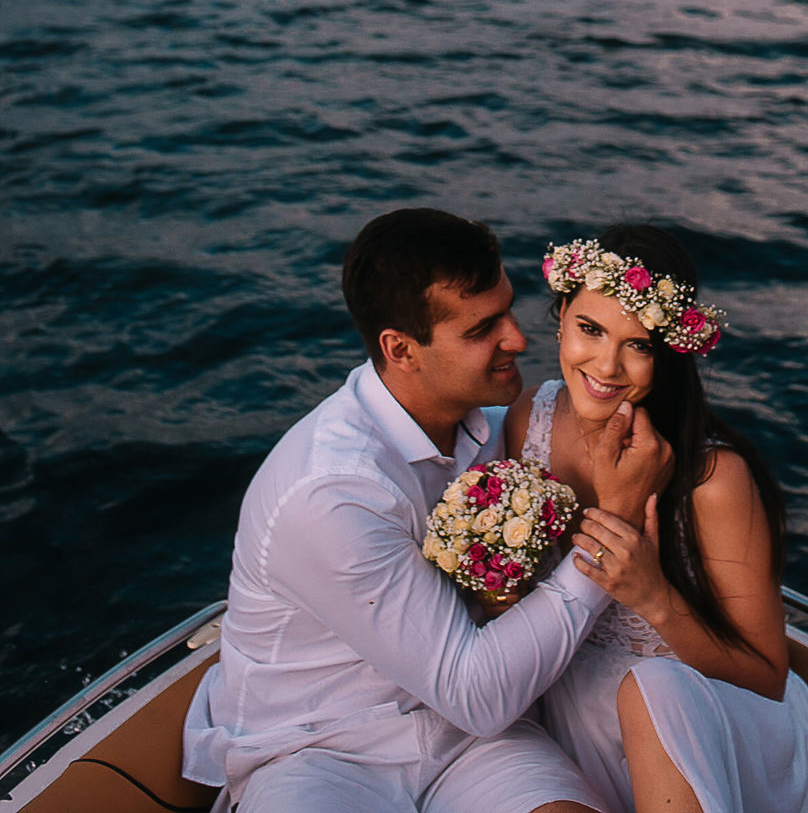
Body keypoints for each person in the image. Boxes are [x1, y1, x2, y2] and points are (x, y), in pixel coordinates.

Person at [183, 207, 671, 813]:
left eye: (509, 310)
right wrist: (613, 525)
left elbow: (476, 710)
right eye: (482, 329)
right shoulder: (332, 492)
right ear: (401, 349)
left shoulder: (496, 427)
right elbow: (477, 695)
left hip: (470, 742)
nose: (517, 339)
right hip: (316, 749)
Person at [507, 224, 808, 813]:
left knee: (653, 684)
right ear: (560, 318)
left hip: (709, 723)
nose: (607, 365)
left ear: (667, 354)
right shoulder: (529, 417)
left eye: (638, 345)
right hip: (576, 708)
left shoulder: (714, 479)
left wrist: (653, 595)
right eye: (590, 329)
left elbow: (767, 677)